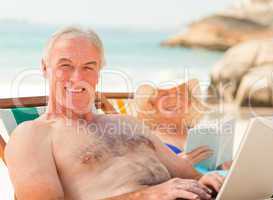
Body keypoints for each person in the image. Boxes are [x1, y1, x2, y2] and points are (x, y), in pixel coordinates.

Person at [4, 26, 224, 200]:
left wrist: (207, 180)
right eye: (65, 65)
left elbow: (189, 174)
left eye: (89, 67)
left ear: (98, 73)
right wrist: (146, 196)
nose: (77, 77)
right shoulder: (32, 136)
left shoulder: (128, 123)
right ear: (45, 68)